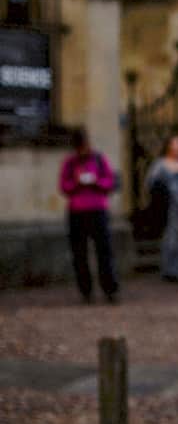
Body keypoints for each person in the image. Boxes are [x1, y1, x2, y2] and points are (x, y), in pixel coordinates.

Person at [58, 128, 119, 303]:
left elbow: (109, 182)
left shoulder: (99, 159)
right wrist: (76, 183)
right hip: (77, 212)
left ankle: (110, 289)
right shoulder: (70, 162)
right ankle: (86, 291)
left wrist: (96, 181)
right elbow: (64, 186)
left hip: (98, 210)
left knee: (104, 251)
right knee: (79, 254)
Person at [145, 134, 178, 282]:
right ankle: (172, 271)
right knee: (172, 239)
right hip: (171, 208)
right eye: (174, 145)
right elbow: (152, 184)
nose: (177, 149)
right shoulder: (161, 164)